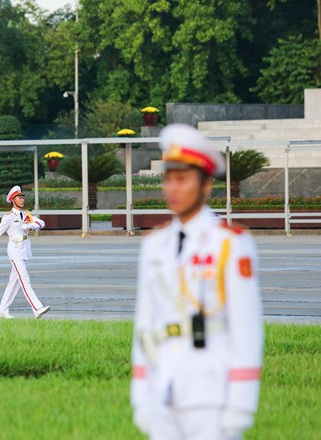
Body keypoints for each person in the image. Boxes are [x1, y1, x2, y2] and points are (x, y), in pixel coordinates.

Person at [130, 124, 263, 440]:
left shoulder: (229, 244)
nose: (172, 188)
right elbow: (145, 324)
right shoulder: (154, 245)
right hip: (163, 386)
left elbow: (246, 328)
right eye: (168, 179)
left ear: (205, 186)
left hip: (211, 393)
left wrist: (240, 405)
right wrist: (141, 393)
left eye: (183, 179)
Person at [0, 185, 51, 319]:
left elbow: (42, 223)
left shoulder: (26, 214)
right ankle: (37, 308)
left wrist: (31, 225)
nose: (22, 199)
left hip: (25, 250)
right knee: (25, 280)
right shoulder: (9, 217)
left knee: (14, 283)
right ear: (13, 200)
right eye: (19, 197)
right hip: (15, 250)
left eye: (23, 197)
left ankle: (2, 311)